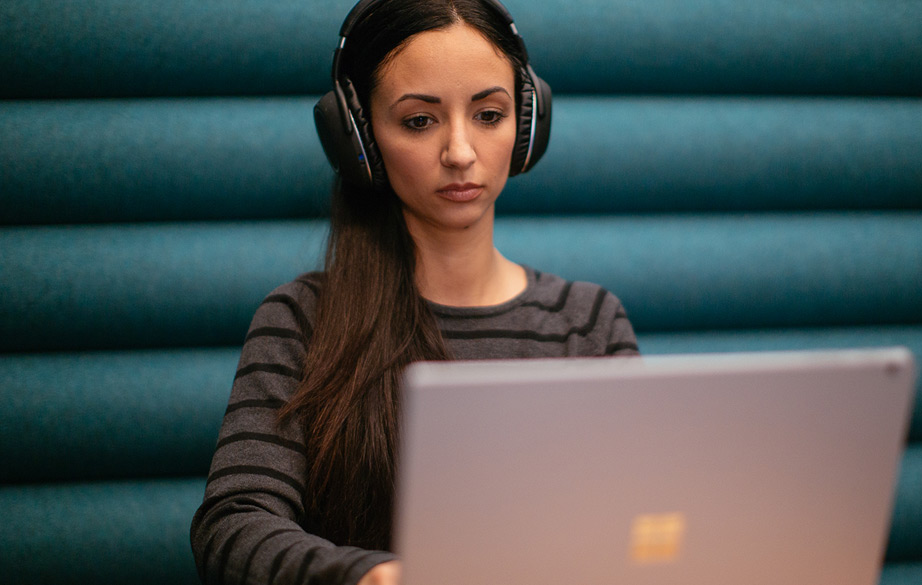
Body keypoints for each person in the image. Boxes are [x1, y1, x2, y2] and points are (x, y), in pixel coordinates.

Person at [190, 0, 639, 583]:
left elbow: (637, 521)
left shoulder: (589, 322)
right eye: (419, 121)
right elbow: (234, 524)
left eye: (489, 114)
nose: (460, 152)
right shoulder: (303, 320)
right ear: (361, 139)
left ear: (527, 124)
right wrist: (368, 577)